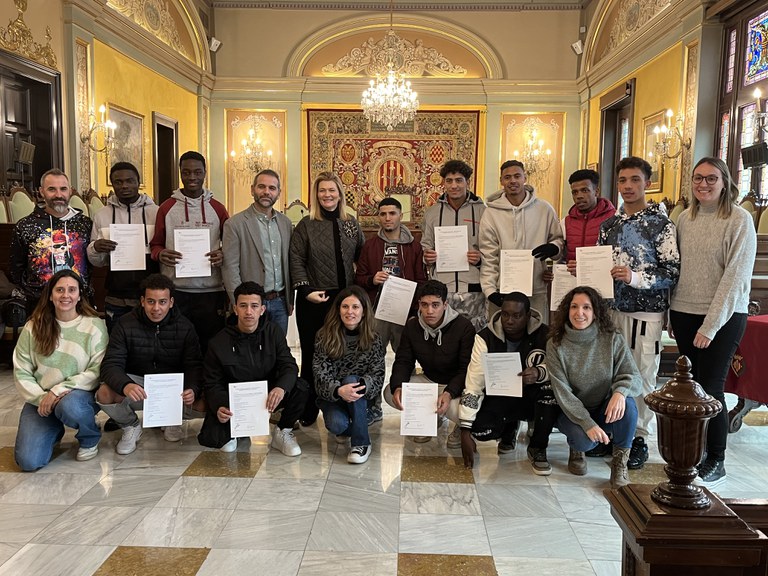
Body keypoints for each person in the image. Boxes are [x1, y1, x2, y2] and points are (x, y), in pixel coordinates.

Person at [670, 157, 757, 485]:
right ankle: (695, 451)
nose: (703, 184)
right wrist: (672, 313)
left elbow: (735, 278)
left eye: (711, 178)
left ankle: (716, 458)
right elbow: (678, 270)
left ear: (725, 183)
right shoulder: (685, 219)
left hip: (724, 316)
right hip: (684, 312)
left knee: (711, 387)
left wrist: (711, 324)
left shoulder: (739, 219)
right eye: (697, 178)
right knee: (691, 387)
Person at [597, 157, 679, 470]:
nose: (628, 186)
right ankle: (613, 432)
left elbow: (671, 272)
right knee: (611, 373)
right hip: (611, 310)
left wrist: (634, 277)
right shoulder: (609, 226)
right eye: (623, 180)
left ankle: (639, 436)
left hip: (646, 312)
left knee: (642, 375)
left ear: (647, 183)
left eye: (635, 180)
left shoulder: (661, 225)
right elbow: (599, 266)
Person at [96, 274, 204, 454]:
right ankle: (130, 426)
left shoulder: (185, 327)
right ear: (142, 301)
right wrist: (126, 385)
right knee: (104, 393)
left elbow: (194, 365)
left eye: (162, 302)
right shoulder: (125, 324)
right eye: (151, 301)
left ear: (171, 302)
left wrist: (192, 388)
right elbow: (110, 365)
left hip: (173, 389)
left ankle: (171, 419)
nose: (156, 308)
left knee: (206, 401)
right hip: (139, 386)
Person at [290, 171, 365, 426]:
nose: (327, 195)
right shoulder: (306, 225)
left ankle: (343, 409)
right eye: (322, 190)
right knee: (313, 355)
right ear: (316, 194)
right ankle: (308, 409)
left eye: (332, 190)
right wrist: (305, 290)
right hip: (314, 299)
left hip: (344, 301)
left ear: (340, 194)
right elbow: (296, 259)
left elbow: (362, 257)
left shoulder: (351, 223)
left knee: (344, 355)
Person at [547, 286, 641, 489]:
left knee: (628, 405)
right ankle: (576, 449)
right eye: (574, 306)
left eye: (586, 307)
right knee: (585, 442)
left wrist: (620, 392)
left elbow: (634, 377)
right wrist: (587, 423)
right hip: (571, 413)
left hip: (603, 408)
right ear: (567, 310)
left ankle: (619, 465)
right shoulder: (555, 344)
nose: (579, 313)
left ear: (596, 312)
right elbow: (563, 393)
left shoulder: (612, 337)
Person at [12, 270, 108, 471]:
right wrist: (41, 398)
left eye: (72, 290)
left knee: (69, 406)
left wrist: (57, 391)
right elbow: (22, 371)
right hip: (42, 399)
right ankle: (53, 429)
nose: (66, 295)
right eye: (60, 290)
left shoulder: (94, 325)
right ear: (50, 295)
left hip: (79, 395)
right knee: (29, 462)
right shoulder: (33, 327)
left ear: (79, 295)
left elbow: (97, 370)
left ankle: (89, 436)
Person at [199, 281, 309, 454]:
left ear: (262, 309)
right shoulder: (218, 341)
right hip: (235, 400)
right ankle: (237, 430)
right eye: (243, 306)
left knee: (301, 387)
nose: (249, 312)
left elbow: (289, 365)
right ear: (235, 309)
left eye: (254, 306)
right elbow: (212, 382)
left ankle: (282, 431)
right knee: (219, 442)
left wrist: (280, 388)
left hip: (267, 395)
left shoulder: (273, 332)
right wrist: (220, 405)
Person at [459, 292, 558, 474]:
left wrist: (539, 372)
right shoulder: (484, 337)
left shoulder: (546, 335)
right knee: (480, 430)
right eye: (505, 314)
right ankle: (508, 430)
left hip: (533, 395)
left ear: (528, 316)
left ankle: (538, 447)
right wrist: (465, 429)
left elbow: (559, 368)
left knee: (549, 392)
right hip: (500, 395)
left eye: (516, 316)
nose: (509, 321)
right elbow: (474, 382)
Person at [354, 197, 426, 424]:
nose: (388, 218)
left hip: (405, 311)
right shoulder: (371, 246)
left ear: (400, 215)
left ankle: (411, 410)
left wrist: (415, 310)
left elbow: (421, 279)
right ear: (379, 216)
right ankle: (373, 406)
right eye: (383, 214)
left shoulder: (414, 246)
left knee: (406, 359)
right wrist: (372, 279)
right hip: (378, 312)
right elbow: (359, 278)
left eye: (392, 213)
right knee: (372, 359)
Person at [150, 151, 229, 354]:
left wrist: (223, 253)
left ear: (205, 173)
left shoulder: (218, 209)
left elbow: (231, 246)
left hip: (211, 292)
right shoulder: (166, 208)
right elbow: (155, 245)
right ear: (180, 173)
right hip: (177, 291)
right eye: (186, 172)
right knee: (177, 347)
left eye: (197, 172)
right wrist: (161, 254)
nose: (192, 177)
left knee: (210, 347)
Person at [385, 279, 475, 445]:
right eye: (424, 305)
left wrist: (449, 393)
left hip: (457, 386)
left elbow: (466, 369)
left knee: (466, 413)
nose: (429, 311)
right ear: (419, 304)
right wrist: (398, 386)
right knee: (390, 394)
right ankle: (429, 419)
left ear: (445, 305)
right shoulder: (412, 326)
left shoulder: (464, 327)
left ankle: (459, 426)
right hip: (430, 380)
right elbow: (404, 361)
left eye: (435, 305)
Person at [479, 160, 563, 323]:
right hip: (503, 290)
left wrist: (554, 248)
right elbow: (488, 256)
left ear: (525, 177)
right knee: (502, 333)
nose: (512, 181)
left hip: (535, 289)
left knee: (536, 332)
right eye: (507, 177)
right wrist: (490, 291)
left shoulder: (544, 209)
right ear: (501, 181)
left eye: (517, 176)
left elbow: (557, 239)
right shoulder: (491, 214)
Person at [313, 286, 385, 464]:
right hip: (334, 397)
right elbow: (319, 373)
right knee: (336, 425)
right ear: (338, 310)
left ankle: (361, 444)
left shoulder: (374, 338)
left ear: (364, 311)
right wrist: (339, 390)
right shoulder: (324, 335)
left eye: (355, 307)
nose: (350, 312)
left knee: (352, 380)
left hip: (360, 396)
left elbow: (378, 374)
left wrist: (359, 386)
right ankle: (358, 424)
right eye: (345, 307)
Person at [87, 161, 160, 332]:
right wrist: (96, 247)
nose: (124, 186)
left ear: (138, 182)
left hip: (150, 294)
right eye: (118, 182)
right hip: (116, 294)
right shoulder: (102, 215)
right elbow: (97, 262)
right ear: (112, 184)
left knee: (149, 341)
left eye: (129, 181)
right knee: (117, 339)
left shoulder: (156, 213)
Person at [10, 169, 92, 315]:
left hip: (79, 303)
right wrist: (33, 291)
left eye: (63, 189)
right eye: (52, 189)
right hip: (39, 304)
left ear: (70, 191)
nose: (58, 195)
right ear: (41, 192)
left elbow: (92, 263)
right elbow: (16, 268)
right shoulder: (25, 226)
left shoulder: (85, 224)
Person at [222, 169, 293, 335]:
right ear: (252, 189)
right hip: (250, 305)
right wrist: (240, 303)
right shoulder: (235, 224)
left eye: (272, 188)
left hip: (280, 302)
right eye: (261, 187)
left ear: (279, 193)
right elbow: (230, 268)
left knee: (277, 348)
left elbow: (290, 263)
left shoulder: (285, 223)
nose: (266, 192)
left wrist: (290, 299)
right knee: (250, 348)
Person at [421, 159, 486, 331]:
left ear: (467, 182)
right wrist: (427, 256)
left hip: (473, 288)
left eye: (459, 180)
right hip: (443, 289)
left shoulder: (483, 211)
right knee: (444, 336)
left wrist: (480, 259)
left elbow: (492, 248)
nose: (454, 185)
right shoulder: (432, 213)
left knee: (474, 336)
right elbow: (425, 245)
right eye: (449, 181)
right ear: (444, 183)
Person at [561, 169, 615, 267]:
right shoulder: (565, 222)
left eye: (584, 190)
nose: (579, 196)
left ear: (596, 192)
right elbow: (561, 257)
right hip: (572, 276)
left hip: (605, 275)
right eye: (575, 192)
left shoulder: (614, 219)